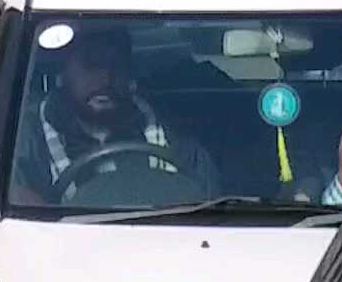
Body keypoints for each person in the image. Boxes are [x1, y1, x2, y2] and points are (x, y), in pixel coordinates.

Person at [14, 30, 218, 204]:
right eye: (91, 64)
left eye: (116, 66)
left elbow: (209, 215)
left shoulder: (175, 138)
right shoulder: (23, 142)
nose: (105, 78)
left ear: (130, 76)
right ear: (62, 73)